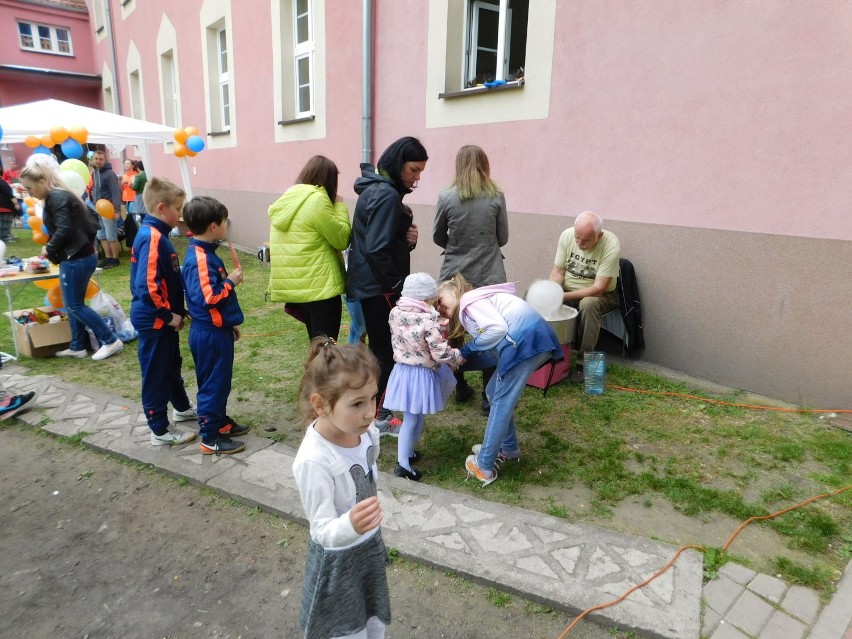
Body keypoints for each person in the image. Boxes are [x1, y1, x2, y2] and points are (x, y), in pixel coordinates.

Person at [293, 336, 391, 639]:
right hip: (339, 561)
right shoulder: (315, 460)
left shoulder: (366, 431)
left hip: (368, 547)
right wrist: (350, 525)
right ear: (320, 404)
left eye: (373, 398)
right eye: (357, 403)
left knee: (373, 622)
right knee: (345, 630)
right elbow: (321, 529)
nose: (370, 412)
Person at [436, 274, 562, 486]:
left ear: (454, 290)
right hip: (529, 340)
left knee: (501, 401)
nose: (439, 307)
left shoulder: (469, 301)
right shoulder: (476, 303)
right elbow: (492, 346)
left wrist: (466, 351)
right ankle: (509, 448)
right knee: (494, 392)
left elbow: (497, 330)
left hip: (524, 342)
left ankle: (484, 466)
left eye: (440, 300)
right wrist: (460, 360)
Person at [346, 136, 428, 435]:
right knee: (385, 351)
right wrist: (395, 283)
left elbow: (379, 241)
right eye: (414, 170)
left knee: (383, 349)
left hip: (373, 284)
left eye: (420, 172)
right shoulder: (386, 195)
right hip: (379, 287)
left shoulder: (380, 190)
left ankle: (375, 412)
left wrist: (405, 241)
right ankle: (378, 416)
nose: (417, 178)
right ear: (398, 164)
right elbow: (376, 248)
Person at [20, 162, 124, 362]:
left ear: (41, 181)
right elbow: (90, 217)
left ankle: (110, 340)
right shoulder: (59, 195)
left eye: (29, 187)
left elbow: (65, 228)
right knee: (72, 303)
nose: (29, 192)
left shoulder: (56, 197)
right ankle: (77, 346)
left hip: (77, 258)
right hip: (80, 256)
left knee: (74, 305)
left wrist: (49, 248)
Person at [432, 144, 507, 412]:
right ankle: (489, 397)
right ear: (485, 165)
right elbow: (504, 238)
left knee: (454, 331)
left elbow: (438, 235)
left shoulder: (446, 196)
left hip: (455, 273)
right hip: (489, 272)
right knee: (492, 329)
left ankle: (460, 386)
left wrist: (457, 244)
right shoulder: (496, 195)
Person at [130, 177, 197, 447]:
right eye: (178, 209)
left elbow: (164, 276)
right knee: (157, 372)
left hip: (164, 321)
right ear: (161, 208)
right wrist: (168, 316)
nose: (181, 214)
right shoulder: (153, 238)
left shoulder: (159, 236)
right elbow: (147, 285)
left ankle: (181, 408)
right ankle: (159, 429)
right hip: (155, 322)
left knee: (171, 366)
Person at [181, 196, 250, 455]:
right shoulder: (199, 258)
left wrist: (229, 324)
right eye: (223, 222)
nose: (225, 226)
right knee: (212, 384)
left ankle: (219, 423)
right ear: (213, 226)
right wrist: (231, 281)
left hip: (217, 330)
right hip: (208, 334)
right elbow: (207, 297)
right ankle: (209, 438)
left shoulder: (206, 253)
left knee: (220, 382)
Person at [383, 273, 462, 481]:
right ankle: (403, 464)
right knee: (413, 418)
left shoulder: (395, 313)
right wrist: (458, 356)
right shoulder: (428, 320)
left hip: (402, 371)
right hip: (421, 375)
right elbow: (439, 352)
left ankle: (407, 454)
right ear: (426, 298)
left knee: (412, 416)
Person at [268, 155, 351, 341]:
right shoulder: (317, 200)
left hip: (297, 288)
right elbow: (341, 238)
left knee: (317, 348)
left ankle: (314, 370)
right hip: (320, 289)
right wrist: (339, 207)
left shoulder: (288, 199)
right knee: (326, 352)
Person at [548, 211, 621, 382]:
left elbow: (599, 288)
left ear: (599, 235)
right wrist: (552, 291)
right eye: (577, 238)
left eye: (586, 240)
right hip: (568, 291)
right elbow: (557, 272)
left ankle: (583, 363)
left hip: (602, 295)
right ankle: (548, 353)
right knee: (536, 295)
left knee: (588, 304)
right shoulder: (566, 236)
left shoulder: (611, 245)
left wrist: (563, 297)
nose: (580, 243)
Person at [87, 149, 123, 269]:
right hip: (98, 209)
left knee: (111, 235)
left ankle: (115, 259)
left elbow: (116, 192)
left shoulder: (110, 174)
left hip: (109, 209)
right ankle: (108, 258)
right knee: (101, 234)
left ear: (105, 160)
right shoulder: (95, 173)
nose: (98, 161)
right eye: (96, 159)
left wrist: (117, 210)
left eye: (101, 159)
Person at [0, 176, 20, 243]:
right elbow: (9, 194)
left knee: (3, 223)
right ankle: (4, 237)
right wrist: (16, 203)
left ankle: (7, 235)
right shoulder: (2, 182)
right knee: (5, 223)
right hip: (5, 207)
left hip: (3, 206)